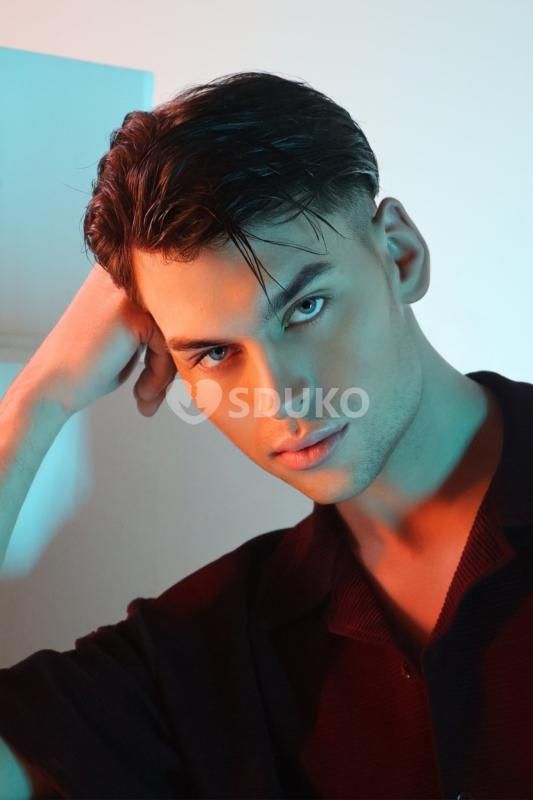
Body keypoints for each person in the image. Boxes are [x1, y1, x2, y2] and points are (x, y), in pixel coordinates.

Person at [0, 70, 531, 800]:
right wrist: (37, 401)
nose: (280, 398)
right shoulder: (201, 652)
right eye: (215, 352)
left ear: (401, 254)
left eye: (305, 308)